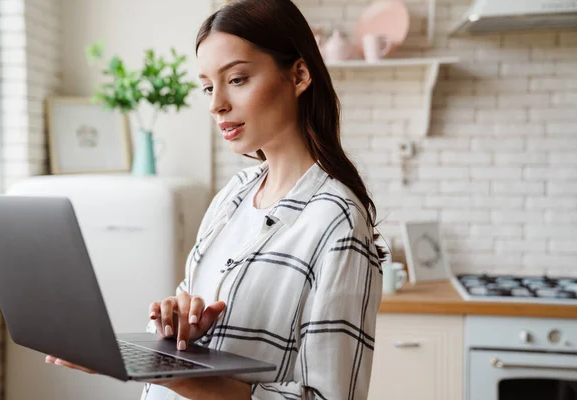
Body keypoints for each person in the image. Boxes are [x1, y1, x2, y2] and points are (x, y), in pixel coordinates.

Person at [46, 0, 387, 398]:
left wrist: (167, 374)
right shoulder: (234, 195)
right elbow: (194, 327)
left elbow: (329, 396)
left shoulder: (336, 221)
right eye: (208, 86)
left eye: (237, 79)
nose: (216, 104)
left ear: (298, 75)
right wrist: (177, 327)